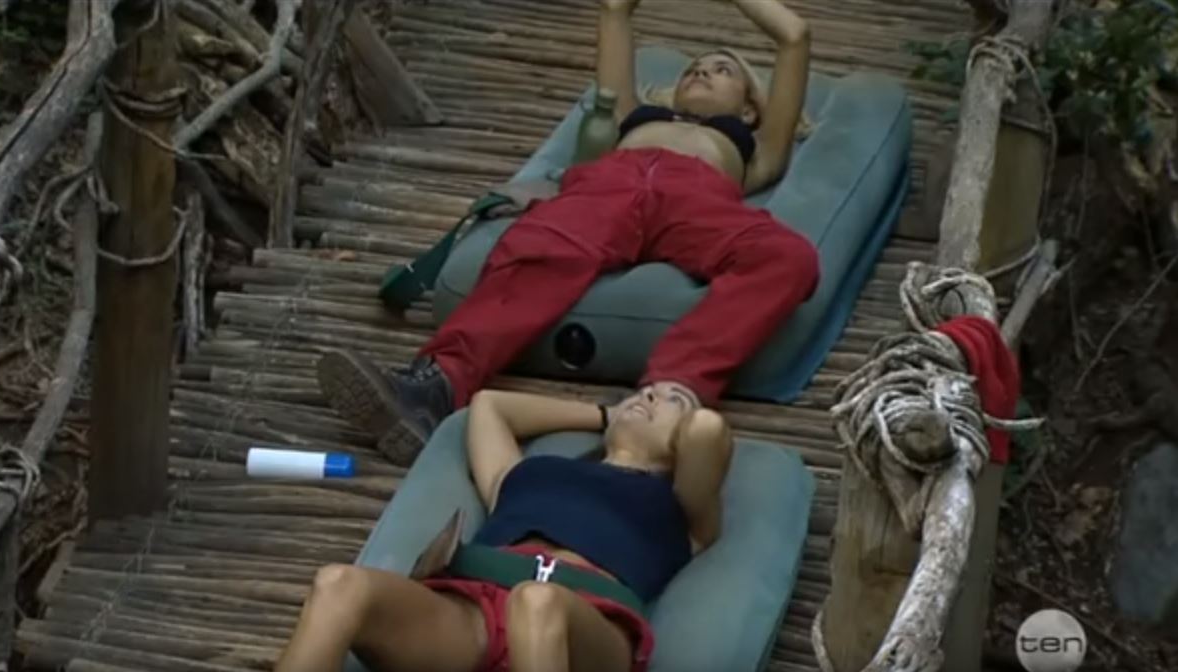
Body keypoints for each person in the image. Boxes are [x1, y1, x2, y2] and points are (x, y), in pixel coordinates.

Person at [318, 0, 819, 467]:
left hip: (699, 201)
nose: (701, 71)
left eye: (722, 69)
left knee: (788, 257)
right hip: (609, 187)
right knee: (538, 248)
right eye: (694, 67)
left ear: (749, 110)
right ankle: (434, 387)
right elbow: (614, 9)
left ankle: (671, 395)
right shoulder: (628, 118)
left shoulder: (757, 150)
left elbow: (794, 35)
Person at [275, 384, 734, 672]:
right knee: (338, 584)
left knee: (536, 603)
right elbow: (489, 406)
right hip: (472, 610)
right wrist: (606, 415)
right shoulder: (529, 475)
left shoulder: (681, 510)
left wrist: (680, 426)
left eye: (673, 401)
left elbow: (707, 431)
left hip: (586, 626)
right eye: (645, 390)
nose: (649, 395)